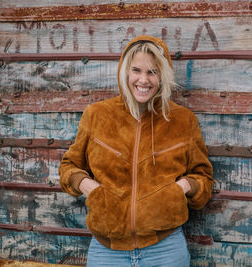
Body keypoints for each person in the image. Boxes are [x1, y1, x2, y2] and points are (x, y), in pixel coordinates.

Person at [59, 35, 214, 267]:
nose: (144, 80)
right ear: (125, 72)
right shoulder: (97, 115)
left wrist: (182, 187)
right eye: (137, 70)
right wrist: (90, 188)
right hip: (107, 251)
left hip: (166, 249)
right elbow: (68, 166)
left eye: (152, 71)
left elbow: (204, 178)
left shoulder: (183, 120)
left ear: (163, 75)